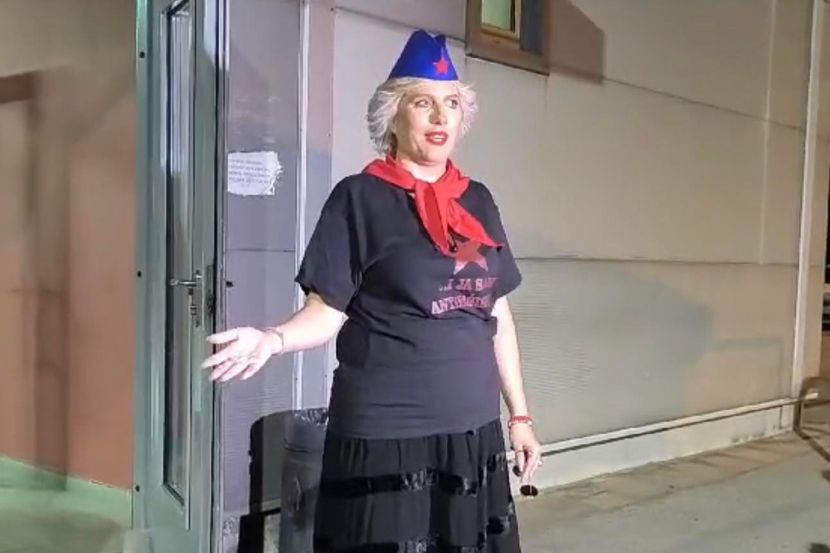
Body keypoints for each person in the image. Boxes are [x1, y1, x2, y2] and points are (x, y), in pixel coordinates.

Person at [203, 30, 541, 552]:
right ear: (393, 116)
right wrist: (273, 338)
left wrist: (519, 415)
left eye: (451, 103)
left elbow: (497, 315)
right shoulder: (358, 199)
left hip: (473, 431)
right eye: (423, 102)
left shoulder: (478, 200)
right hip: (387, 434)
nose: (440, 116)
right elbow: (326, 312)